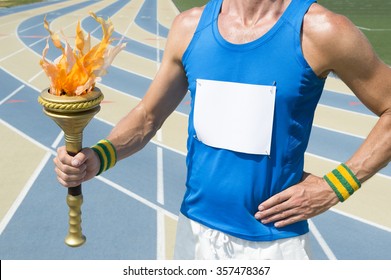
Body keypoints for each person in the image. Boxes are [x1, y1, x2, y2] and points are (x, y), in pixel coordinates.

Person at [54, 0, 391, 259]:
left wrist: (337, 186)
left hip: (275, 247)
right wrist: (98, 157)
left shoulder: (320, 29)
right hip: (194, 236)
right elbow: (146, 117)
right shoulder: (189, 26)